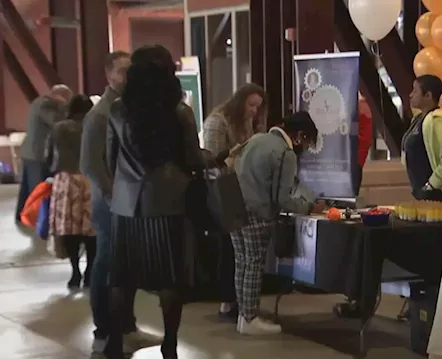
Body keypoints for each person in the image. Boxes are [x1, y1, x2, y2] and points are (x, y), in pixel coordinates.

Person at [103, 44, 207, 359]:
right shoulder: (180, 111)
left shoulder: (119, 109)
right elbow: (192, 159)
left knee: (122, 277)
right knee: (170, 278)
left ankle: (115, 342)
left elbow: (110, 159)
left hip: (126, 205)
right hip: (168, 203)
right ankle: (170, 343)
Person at [80, 51, 159, 355]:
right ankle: (105, 331)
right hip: (110, 203)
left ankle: (126, 327)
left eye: (132, 71)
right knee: (107, 265)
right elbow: (90, 163)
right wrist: (114, 194)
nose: (129, 77)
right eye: (123, 71)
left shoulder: (127, 109)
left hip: (129, 202)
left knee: (126, 268)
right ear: (109, 74)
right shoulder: (100, 114)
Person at [232, 111, 325, 335]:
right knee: (254, 264)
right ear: (300, 135)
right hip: (258, 212)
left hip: (234, 207)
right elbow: (282, 198)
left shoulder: (256, 139)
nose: (305, 147)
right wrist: (310, 207)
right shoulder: (285, 153)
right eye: (307, 141)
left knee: (241, 262)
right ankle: (250, 318)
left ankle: (243, 314)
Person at [202, 83, 266, 322]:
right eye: (251, 105)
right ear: (239, 102)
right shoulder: (218, 122)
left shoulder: (247, 122)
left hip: (242, 188)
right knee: (227, 248)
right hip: (223, 188)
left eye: (258, 107)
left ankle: (239, 300)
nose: (254, 111)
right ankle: (227, 301)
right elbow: (211, 158)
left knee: (238, 251)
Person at [48, 94, 96, 288]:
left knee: (69, 230)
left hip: (66, 182)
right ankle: (90, 271)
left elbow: (48, 156)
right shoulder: (94, 127)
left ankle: (75, 271)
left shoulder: (59, 128)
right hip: (91, 180)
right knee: (91, 230)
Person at [403, 75, 442, 203]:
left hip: (438, 196)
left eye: (415, 91)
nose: (410, 95)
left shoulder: (438, 121)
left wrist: (431, 185)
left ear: (428, 95)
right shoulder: (418, 119)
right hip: (422, 194)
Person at [15, 84, 73, 223]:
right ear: (60, 96)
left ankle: (22, 215)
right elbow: (56, 121)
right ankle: (37, 218)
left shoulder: (40, 102)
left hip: (31, 153)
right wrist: (66, 109)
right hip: (38, 154)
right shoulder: (45, 105)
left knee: (27, 188)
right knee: (38, 188)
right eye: (67, 99)